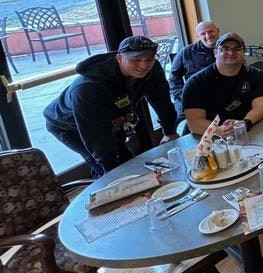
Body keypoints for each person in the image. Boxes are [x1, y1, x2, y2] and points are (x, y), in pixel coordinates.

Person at [43, 35, 179, 176]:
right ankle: (104, 191)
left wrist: (169, 131)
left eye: (148, 59)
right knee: (109, 166)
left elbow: (161, 100)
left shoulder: (152, 69)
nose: (143, 66)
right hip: (70, 126)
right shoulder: (88, 87)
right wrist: (112, 172)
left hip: (113, 117)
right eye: (136, 60)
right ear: (119, 58)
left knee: (125, 159)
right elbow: (96, 134)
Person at [182, 32, 263, 136]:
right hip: (212, 136)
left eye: (237, 49)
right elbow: (194, 122)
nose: (231, 52)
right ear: (215, 52)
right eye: (225, 49)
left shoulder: (258, 76)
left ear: (243, 53)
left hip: (250, 128)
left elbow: (260, 107)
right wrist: (219, 130)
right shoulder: (196, 82)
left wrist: (244, 123)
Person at [168, 20, 219, 121]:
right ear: (197, 36)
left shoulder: (227, 49)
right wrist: (184, 96)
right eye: (203, 33)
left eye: (211, 31)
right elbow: (173, 79)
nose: (208, 36)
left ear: (218, 31)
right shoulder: (186, 52)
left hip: (221, 94)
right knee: (182, 121)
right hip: (192, 96)